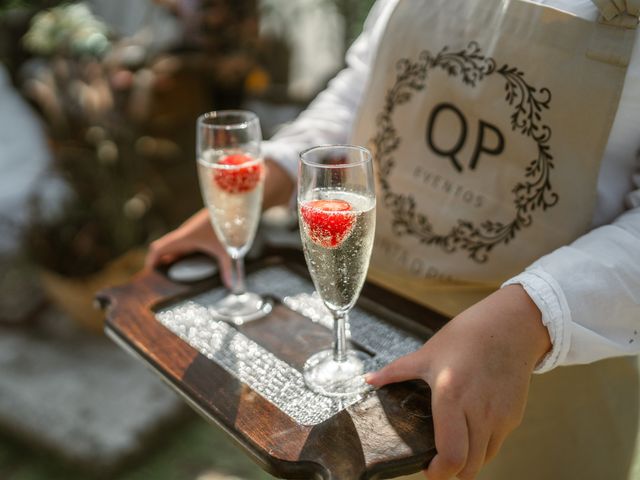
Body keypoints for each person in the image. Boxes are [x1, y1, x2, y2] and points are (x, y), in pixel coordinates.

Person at [146, 0, 640, 478]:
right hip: (375, 339)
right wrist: (263, 182)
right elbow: (361, 93)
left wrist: (530, 317)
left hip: (544, 381)